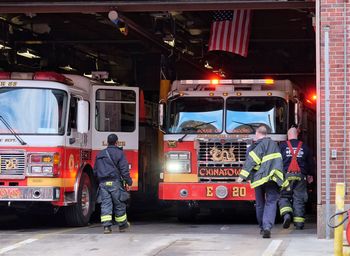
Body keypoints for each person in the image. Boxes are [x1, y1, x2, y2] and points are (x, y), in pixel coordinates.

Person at [237, 125, 287, 239]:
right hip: (272, 179)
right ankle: (267, 227)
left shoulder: (252, 147)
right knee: (271, 202)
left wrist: (244, 177)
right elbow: (279, 163)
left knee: (260, 204)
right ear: (266, 134)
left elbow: (250, 162)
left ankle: (262, 227)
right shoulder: (275, 145)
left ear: (257, 133)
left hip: (258, 180)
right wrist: (282, 181)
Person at [94, 133, 133, 234]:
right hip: (115, 182)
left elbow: (95, 171)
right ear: (116, 142)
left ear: (107, 142)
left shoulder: (100, 154)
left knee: (105, 204)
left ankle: (106, 227)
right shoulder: (119, 153)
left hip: (103, 184)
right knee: (119, 204)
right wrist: (129, 181)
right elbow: (124, 170)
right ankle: (122, 225)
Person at [278, 127, 314, 230]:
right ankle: (299, 224)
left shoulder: (282, 146)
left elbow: (277, 161)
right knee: (299, 198)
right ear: (297, 135)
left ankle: (287, 215)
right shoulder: (305, 147)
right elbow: (310, 163)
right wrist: (310, 175)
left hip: (286, 175)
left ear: (288, 135)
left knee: (284, 196)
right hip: (300, 176)